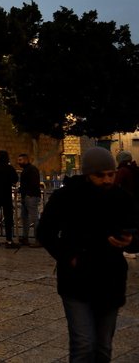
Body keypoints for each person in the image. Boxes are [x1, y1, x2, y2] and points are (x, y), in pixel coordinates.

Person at [37, 146, 138, 362]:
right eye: (99, 175)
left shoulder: (122, 198)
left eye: (111, 174)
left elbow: (134, 230)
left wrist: (130, 240)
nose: (107, 180)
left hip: (110, 280)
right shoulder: (66, 197)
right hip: (77, 279)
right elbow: (45, 231)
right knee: (83, 344)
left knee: (103, 346)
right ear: (87, 174)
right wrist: (68, 257)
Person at [17, 153, 41, 247]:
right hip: (26, 197)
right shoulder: (27, 170)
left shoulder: (32, 170)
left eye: (20, 160)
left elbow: (33, 183)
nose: (18, 162)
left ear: (26, 160)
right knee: (24, 218)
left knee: (34, 219)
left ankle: (38, 240)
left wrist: (29, 194)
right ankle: (25, 238)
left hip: (31, 197)